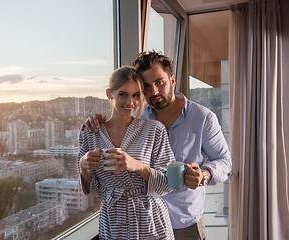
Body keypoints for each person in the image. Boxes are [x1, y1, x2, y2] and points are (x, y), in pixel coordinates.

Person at [81, 51, 232, 240]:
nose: (154, 92)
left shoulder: (203, 117)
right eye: (146, 86)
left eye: (159, 82)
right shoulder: (137, 116)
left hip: (184, 220)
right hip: (142, 224)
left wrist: (204, 175)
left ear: (172, 80)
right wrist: (94, 121)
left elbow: (225, 161)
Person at [78, 66, 176, 239]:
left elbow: (168, 185)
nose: (130, 102)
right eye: (123, 94)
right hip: (113, 223)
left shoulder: (154, 130)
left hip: (151, 222)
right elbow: (92, 191)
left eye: (136, 95)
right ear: (109, 94)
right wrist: (82, 166)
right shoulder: (90, 134)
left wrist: (137, 166)